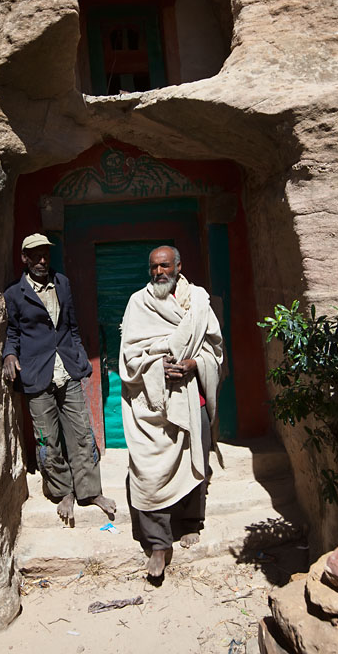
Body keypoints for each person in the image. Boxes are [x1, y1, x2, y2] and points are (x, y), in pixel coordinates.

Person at [119, 245, 223, 578]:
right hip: (151, 401)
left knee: (197, 457)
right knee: (149, 471)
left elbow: (215, 351)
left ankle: (191, 521)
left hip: (193, 395)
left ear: (178, 265)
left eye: (164, 266)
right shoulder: (138, 302)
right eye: (153, 267)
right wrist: (156, 366)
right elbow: (130, 357)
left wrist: (195, 363)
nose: (159, 272)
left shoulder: (199, 301)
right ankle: (159, 545)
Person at [2, 233, 116, 525]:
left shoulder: (62, 283)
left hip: (66, 369)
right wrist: (8, 356)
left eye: (46, 255)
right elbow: (13, 333)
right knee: (48, 440)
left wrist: (78, 356)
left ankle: (90, 492)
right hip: (36, 375)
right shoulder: (15, 293)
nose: (42, 260)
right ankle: (63, 492)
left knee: (80, 433)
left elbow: (71, 325)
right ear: (24, 259)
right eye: (35, 255)